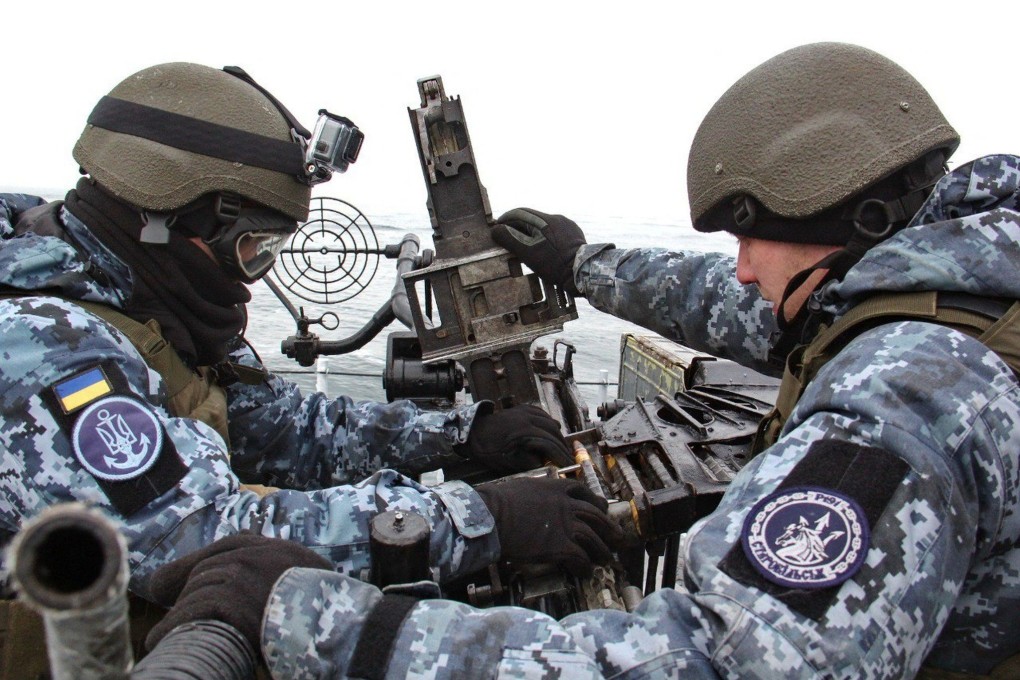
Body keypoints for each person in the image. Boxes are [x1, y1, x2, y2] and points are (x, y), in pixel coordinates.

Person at [145, 43, 1020, 678]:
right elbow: (740, 305)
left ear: (856, 224)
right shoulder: (952, 283)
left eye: (754, 236)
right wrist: (583, 266)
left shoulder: (908, 391)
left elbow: (726, 663)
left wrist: (324, 623)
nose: (744, 266)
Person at [0, 62, 621, 672]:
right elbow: (197, 536)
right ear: (164, 216)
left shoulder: (147, 306)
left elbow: (273, 426)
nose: (255, 278)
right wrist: (485, 518)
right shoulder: (43, 347)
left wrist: (458, 433)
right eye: (251, 249)